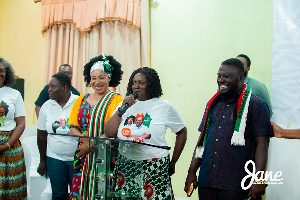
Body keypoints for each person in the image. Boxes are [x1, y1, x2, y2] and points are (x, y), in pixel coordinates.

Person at [184, 58, 273, 200]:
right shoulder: (213, 103)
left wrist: (259, 179)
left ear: (241, 78)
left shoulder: (256, 105)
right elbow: (202, 140)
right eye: (219, 76)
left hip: (236, 184)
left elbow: (262, 144)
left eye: (226, 76)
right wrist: (191, 172)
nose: (220, 80)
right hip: (208, 181)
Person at [105, 67, 187, 199]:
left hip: (154, 165)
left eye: (141, 83)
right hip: (126, 164)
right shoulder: (124, 105)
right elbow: (109, 132)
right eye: (134, 83)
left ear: (151, 85)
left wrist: (173, 162)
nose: (136, 87)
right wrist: (121, 110)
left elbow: (182, 132)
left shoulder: (164, 106)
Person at [68, 53, 123, 200]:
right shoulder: (81, 99)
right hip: (82, 155)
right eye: (93, 78)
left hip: (106, 155)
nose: (97, 82)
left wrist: (92, 145)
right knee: (80, 191)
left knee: (102, 192)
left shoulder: (116, 100)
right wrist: (85, 142)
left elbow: (115, 130)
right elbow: (72, 125)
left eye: (101, 77)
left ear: (109, 78)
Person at [37, 72, 79, 199]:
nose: (49, 90)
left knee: (77, 195)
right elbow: (42, 135)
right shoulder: (46, 106)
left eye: (53, 87)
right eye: (49, 86)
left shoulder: (79, 102)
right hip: (54, 159)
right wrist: (43, 160)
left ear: (65, 87)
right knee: (58, 195)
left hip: (77, 160)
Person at [0, 57, 27, 199]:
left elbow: (21, 123)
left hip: (11, 145)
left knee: (12, 190)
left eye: (2, 71)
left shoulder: (14, 94)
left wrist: (7, 145)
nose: (0, 74)